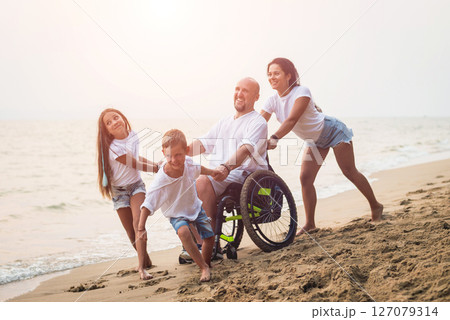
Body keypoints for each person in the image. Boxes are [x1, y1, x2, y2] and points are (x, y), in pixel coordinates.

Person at [261, 58, 383, 235]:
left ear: (288, 75)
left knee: (349, 171)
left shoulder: (301, 92)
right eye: (269, 74)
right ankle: (310, 223)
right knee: (305, 179)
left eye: (276, 73)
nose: (272, 77)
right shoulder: (272, 100)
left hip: (333, 131)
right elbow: (259, 121)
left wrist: (274, 138)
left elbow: (292, 119)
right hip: (315, 141)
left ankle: (376, 206)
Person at [188, 77, 269, 239]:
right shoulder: (225, 121)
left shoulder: (257, 122)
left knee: (202, 180)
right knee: (183, 182)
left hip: (242, 176)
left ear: (256, 97)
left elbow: (245, 150)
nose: (239, 94)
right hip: (218, 174)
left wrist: (226, 167)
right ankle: (194, 243)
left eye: (245, 91)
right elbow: (203, 144)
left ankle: (207, 244)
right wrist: (177, 153)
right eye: (237, 89)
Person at [137, 129, 219, 282]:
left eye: (178, 155)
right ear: (163, 153)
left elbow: (200, 169)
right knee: (183, 233)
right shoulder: (162, 177)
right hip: (176, 213)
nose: (174, 160)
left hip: (194, 207)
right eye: (169, 156)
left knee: (209, 237)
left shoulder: (189, 164)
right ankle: (203, 267)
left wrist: (213, 172)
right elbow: (148, 202)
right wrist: (141, 227)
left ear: (186, 151)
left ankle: (206, 263)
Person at [97, 108, 158, 280]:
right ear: (106, 130)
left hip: (136, 187)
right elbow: (134, 164)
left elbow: (137, 158)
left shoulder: (133, 135)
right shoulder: (112, 147)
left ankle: (141, 269)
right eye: (108, 123)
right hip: (119, 192)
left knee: (138, 223)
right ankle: (145, 261)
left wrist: (156, 166)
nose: (114, 122)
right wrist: (155, 168)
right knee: (131, 234)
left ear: (122, 117)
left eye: (115, 117)